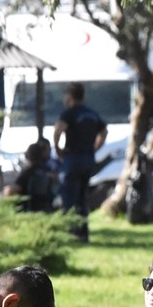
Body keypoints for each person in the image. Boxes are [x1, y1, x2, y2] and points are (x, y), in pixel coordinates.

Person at [52, 82, 107, 242]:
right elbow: (104, 131)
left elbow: (58, 130)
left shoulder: (69, 113)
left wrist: (57, 148)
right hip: (88, 159)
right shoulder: (92, 113)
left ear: (69, 96)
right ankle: (84, 234)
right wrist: (95, 148)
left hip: (72, 158)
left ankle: (70, 233)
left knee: (69, 198)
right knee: (82, 198)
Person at [9, 139, 57, 212]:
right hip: (46, 209)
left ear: (27, 156)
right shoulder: (49, 173)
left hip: (27, 210)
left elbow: (11, 191)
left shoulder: (27, 174)